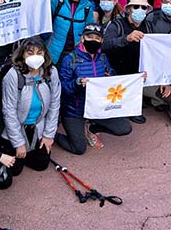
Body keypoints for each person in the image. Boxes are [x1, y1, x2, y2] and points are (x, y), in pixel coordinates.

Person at [57, 24, 132, 153]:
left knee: (124, 128)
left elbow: (111, 75)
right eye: (89, 37)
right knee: (79, 148)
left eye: (97, 38)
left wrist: (111, 76)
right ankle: (52, 136)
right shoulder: (70, 59)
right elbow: (62, 87)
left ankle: (91, 128)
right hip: (75, 110)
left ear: (101, 41)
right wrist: (77, 83)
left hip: (98, 107)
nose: (93, 40)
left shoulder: (102, 57)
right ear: (82, 38)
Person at [0, 38, 61, 176]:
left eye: (39, 53)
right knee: (15, 170)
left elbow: (55, 105)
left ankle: (30, 150)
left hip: (37, 127)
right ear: (22, 54)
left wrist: (48, 135)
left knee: (41, 164)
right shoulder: (13, 75)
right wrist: (18, 143)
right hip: (17, 127)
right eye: (30, 53)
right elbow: (9, 111)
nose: (35, 57)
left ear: (45, 54)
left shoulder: (51, 72)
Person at [48, 0, 95, 65]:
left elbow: (89, 29)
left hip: (76, 52)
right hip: (54, 50)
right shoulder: (56, 2)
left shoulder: (87, 6)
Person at [103, 0, 151, 78]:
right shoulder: (117, 25)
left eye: (143, 7)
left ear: (147, 10)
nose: (140, 9)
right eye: (136, 7)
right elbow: (106, 45)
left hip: (141, 76)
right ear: (128, 9)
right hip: (119, 75)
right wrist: (126, 39)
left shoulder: (149, 26)